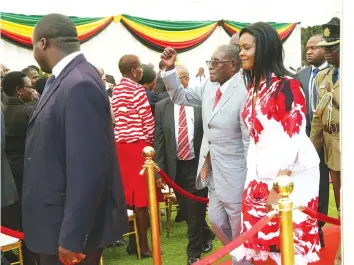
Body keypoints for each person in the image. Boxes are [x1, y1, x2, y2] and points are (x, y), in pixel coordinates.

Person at [22, 13, 128, 265]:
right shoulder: (64, 79)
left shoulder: (79, 83)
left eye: (32, 45)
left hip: (68, 233)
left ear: (43, 43)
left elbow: (88, 169)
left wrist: (73, 237)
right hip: (54, 223)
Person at [231, 22, 321, 265]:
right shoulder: (253, 88)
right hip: (260, 175)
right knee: (265, 245)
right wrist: (252, 182)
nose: (241, 53)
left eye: (247, 47)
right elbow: (256, 140)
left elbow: (292, 141)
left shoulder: (287, 85)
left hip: (291, 178)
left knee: (290, 249)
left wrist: (279, 189)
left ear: (265, 49)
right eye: (240, 48)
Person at [160, 44, 250, 265]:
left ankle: (243, 259)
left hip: (237, 171)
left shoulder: (245, 90)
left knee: (238, 223)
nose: (210, 67)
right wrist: (170, 70)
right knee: (217, 220)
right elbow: (179, 96)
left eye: (216, 63)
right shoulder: (209, 87)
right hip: (211, 169)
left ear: (233, 65)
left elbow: (248, 138)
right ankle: (243, 254)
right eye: (209, 62)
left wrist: (251, 174)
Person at [154, 65, 214, 265]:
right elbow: (159, 141)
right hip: (175, 167)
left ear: (186, 80)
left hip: (197, 165)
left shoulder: (199, 104)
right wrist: (160, 172)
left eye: (179, 78)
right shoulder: (162, 106)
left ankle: (193, 253)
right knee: (188, 210)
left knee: (196, 208)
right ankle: (205, 234)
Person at [112, 54, 163, 258]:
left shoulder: (116, 90)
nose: (142, 70)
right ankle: (143, 246)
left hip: (120, 148)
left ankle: (133, 243)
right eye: (140, 67)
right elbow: (148, 122)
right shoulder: (138, 90)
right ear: (134, 71)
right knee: (141, 201)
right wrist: (149, 144)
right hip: (138, 148)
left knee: (130, 200)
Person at [309, 17, 341, 265]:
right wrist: (310, 153)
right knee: (342, 210)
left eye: (333, 47)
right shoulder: (324, 78)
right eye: (326, 47)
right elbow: (318, 121)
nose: (328, 52)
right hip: (333, 156)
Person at [1, 71, 39, 265]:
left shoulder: (4, 111)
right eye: (29, 87)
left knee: (15, 218)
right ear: (18, 91)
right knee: (30, 218)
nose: (32, 91)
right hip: (28, 169)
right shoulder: (28, 112)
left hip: (9, 171)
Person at [296, 34, 330, 248]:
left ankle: (322, 224)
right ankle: (311, 227)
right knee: (310, 180)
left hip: (330, 135)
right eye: (306, 48)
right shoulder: (301, 75)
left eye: (313, 47)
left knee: (326, 181)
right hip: (306, 135)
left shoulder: (335, 72)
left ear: (324, 49)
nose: (308, 51)